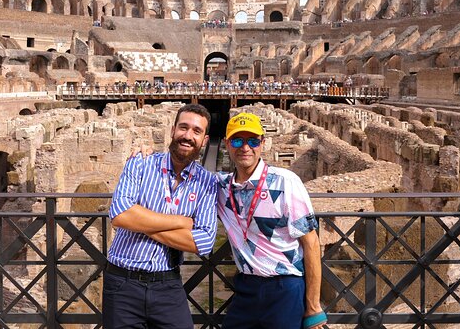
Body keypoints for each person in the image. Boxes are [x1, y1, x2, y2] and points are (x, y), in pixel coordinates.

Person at [103, 103, 218, 329]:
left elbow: (203, 242)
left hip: (168, 284)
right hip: (122, 282)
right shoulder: (140, 163)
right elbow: (119, 214)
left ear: (204, 140)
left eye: (196, 131)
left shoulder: (207, 182)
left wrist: (140, 222)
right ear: (173, 129)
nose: (188, 136)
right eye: (183, 128)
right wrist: (182, 223)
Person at [217, 112, 326, 329]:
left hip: (284, 288)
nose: (245, 148)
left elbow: (311, 243)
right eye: (238, 140)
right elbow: (187, 176)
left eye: (253, 141)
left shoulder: (286, 181)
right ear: (227, 144)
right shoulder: (220, 187)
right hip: (246, 288)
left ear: (263, 143)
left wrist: (313, 307)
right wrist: (148, 158)